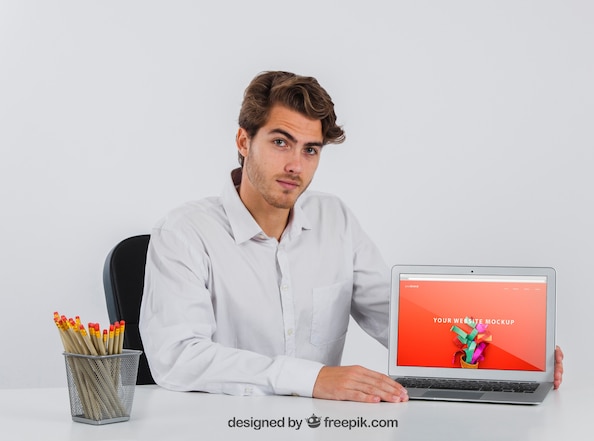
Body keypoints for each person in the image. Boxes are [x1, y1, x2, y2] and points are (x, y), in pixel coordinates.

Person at [139, 71, 563, 403]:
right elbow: (177, 358)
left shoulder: (334, 219)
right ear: (243, 140)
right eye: (281, 142)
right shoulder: (184, 233)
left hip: (325, 427)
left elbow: (397, 321)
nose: (296, 165)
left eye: (311, 149)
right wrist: (314, 378)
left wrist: (508, 356)